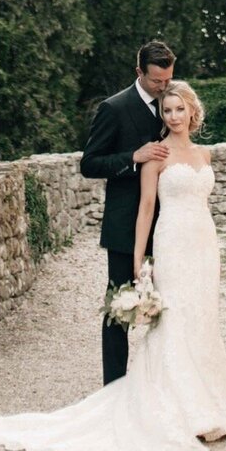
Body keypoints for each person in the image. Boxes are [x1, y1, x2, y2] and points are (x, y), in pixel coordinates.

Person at [0, 81, 226, 451]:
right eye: (166, 111)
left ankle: (211, 406)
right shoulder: (157, 154)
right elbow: (147, 207)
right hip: (171, 243)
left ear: (191, 111)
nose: (172, 116)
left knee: (202, 319)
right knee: (175, 321)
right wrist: (139, 258)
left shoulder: (205, 154)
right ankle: (179, 410)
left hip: (203, 245)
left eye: (178, 109)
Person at [80, 39, 175, 385]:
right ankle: (114, 388)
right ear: (139, 72)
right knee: (118, 310)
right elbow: (89, 164)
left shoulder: (172, 103)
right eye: (156, 82)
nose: (163, 88)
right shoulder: (114, 108)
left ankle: (162, 386)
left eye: (167, 80)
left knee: (169, 308)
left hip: (167, 225)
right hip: (124, 226)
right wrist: (132, 158)